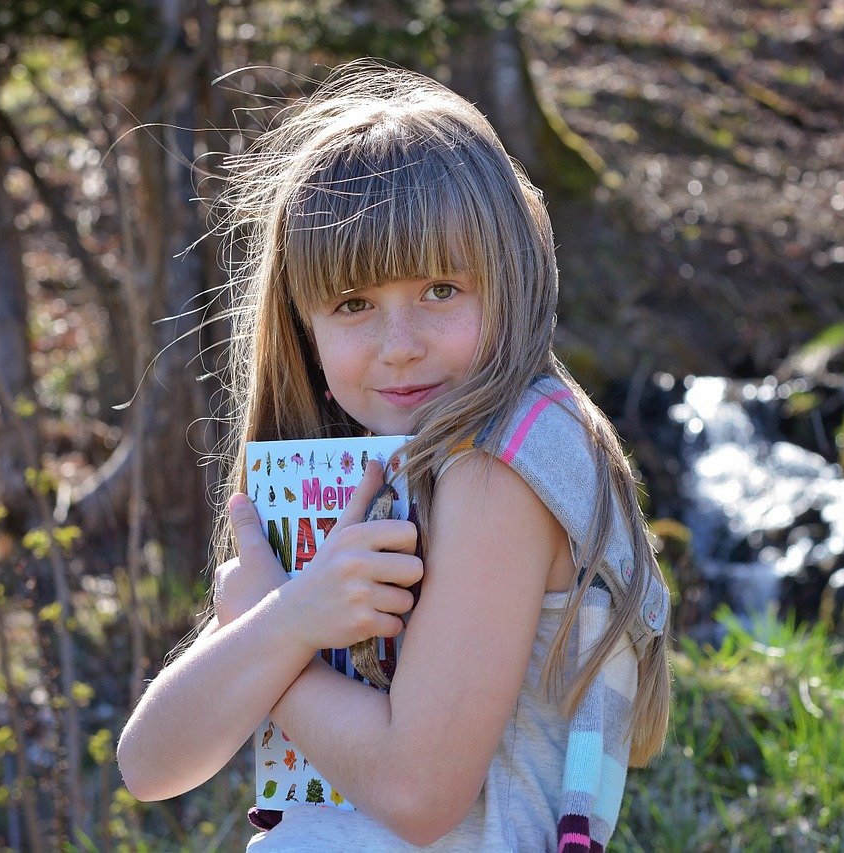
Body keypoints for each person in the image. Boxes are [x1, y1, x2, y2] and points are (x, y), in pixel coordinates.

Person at [116, 60, 671, 851]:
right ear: (305, 328)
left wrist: (284, 631)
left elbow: (418, 792)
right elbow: (149, 763)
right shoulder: (362, 479)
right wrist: (283, 619)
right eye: (354, 304)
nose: (399, 345)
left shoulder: (499, 463)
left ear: (510, 281)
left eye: (441, 289)